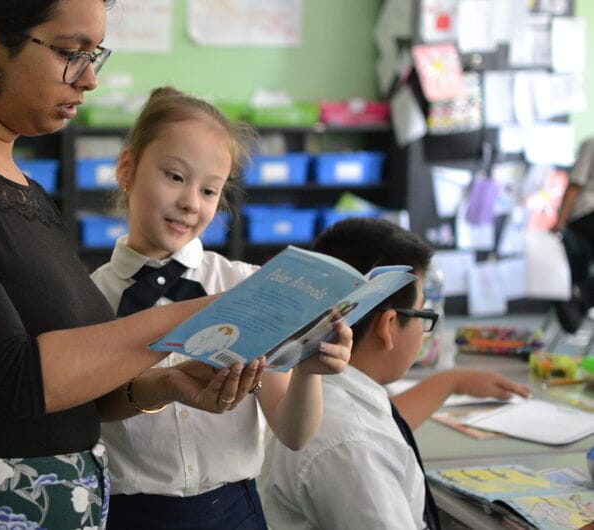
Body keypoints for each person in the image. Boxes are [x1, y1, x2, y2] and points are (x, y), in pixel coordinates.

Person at [0, 4, 262, 529]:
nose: (89, 79)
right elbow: (13, 378)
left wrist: (162, 387)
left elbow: (80, 386)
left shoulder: (26, 192)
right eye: (70, 52)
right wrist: (191, 317)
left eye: (94, 55)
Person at [89, 86, 353, 530]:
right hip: (129, 515)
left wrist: (309, 369)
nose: (191, 202)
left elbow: (293, 432)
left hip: (235, 512)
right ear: (127, 169)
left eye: (209, 190)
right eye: (174, 176)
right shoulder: (87, 298)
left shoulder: (247, 286)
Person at [261, 217, 532, 530]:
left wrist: (452, 381)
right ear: (388, 326)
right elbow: (360, 440)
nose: (424, 330)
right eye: (423, 313)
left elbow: (379, 425)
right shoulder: (351, 445)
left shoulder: (327, 396)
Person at [552, 137, 594, 333]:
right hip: (586, 213)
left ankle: (582, 296)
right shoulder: (591, 144)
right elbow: (575, 185)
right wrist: (560, 222)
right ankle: (581, 296)